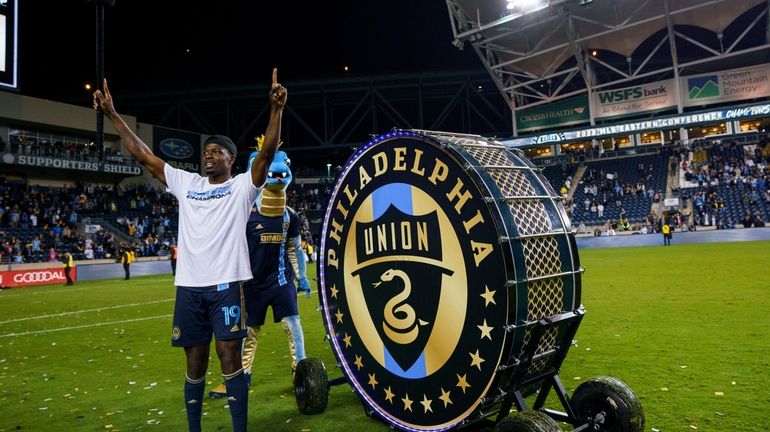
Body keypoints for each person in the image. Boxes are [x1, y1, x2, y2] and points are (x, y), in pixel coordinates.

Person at [93, 68, 286, 432]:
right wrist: (113, 115)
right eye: (206, 151)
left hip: (227, 284)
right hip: (190, 288)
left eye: (217, 152)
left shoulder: (243, 187)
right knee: (194, 364)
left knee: (230, 358)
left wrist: (275, 110)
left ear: (231, 159)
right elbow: (145, 157)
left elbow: (267, 153)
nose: (208, 155)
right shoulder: (187, 182)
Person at [209, 141, 311, 398]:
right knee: (249, 332)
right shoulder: (245, 212)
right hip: (251, 285)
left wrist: (303, 278)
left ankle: (302, 373)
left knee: (293, 326)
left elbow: (294, 250)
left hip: (281, 282)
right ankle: (242, 376)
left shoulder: (290, 216)